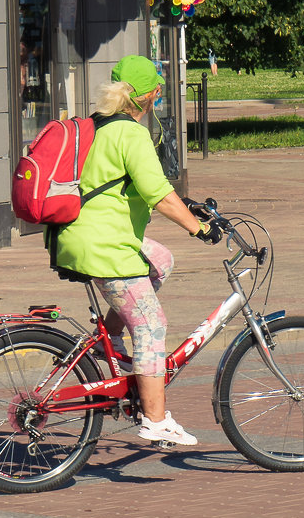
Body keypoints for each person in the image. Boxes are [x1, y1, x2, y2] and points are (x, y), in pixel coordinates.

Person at [49, 55, 223, 446]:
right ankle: (156, 420)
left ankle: (110, 346)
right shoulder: (131, 133)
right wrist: (200, 229)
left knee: (160, 260)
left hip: (82, 235)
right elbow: (158, 194)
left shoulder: (96, 125)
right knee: (151, 325)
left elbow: (124, 183)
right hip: (104, 245)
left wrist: (188, 204)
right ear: (153, 95)